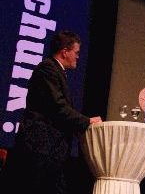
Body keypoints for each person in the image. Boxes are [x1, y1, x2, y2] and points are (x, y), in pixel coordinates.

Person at [4, 30, 102, 194]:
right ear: (65, 52)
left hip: (50, 151)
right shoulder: (47, 69)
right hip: (40, 147)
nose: (78, 56)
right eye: (76, 52)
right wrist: (87, 121)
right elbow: (58, 107)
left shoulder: (56, 71)